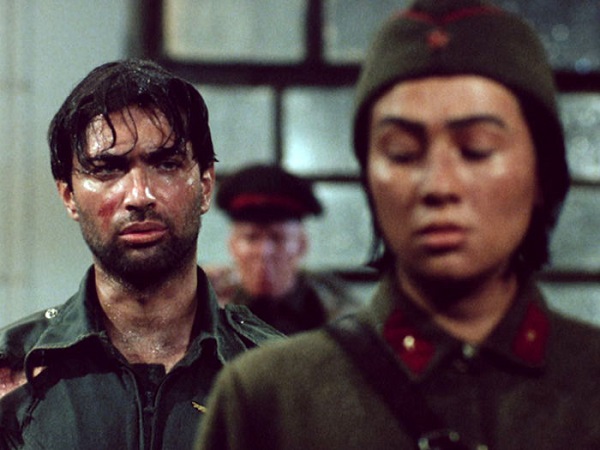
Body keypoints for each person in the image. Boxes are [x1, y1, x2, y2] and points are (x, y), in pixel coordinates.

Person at [196, 1, 600, 449]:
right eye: (402, 153)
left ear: (543, 172)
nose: (439, 185)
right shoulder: (269, 398)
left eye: (477, 149)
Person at [0, 59, 282, 449]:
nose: (139, 196)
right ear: (68, 196)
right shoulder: (13, 376)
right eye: (107, 169)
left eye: (166, 164)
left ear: (205, 184)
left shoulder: (279, 377)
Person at [206, 164, 361, 334]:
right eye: (251, 238)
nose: (264, 251)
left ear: (301, 245)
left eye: (277, 238)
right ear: (232, 245)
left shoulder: (333, 307)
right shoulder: (207, 303)